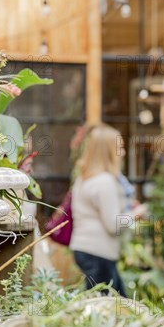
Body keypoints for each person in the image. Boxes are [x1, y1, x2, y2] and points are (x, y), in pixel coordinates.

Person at [69, 124, 129, 296]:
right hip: (99, 252)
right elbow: (113, 225)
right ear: (108, 151)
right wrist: (135, 215)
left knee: (117, 303)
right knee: (106, 308)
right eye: (120, 148)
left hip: (86, 249)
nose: (123, 153)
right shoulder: (105, 182)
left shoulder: (84, 178)